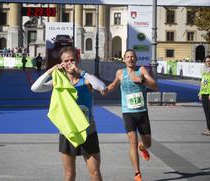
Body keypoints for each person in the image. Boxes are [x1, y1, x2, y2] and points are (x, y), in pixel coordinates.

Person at [31, 47, 105, 181]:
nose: (70, 63)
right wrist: (50, 71)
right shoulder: (58, 82)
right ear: (61, 63)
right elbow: (35, 88)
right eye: (66, 60)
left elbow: (101, 87)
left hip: (88, 131)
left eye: (73, 60)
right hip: (67, 132)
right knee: (69, 174)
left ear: (78, 61)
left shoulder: (86, 80)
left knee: (95, 173)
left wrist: (81, 72)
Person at [101, 49, 158, 181]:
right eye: (127, 57)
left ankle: (142, 147)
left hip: (142, 111)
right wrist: (106, 90)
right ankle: (137, 173)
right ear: (124, 59)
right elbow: (114, 84)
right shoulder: (120, 73)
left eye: (132, 57)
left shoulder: (142, 70)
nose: (130, 59)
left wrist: (142, 81)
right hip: (128, 112)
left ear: (136, 59)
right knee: (132, 141)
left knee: (148, 143)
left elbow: (155, 86)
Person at [198, 55, 210, 136]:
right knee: (206, 112)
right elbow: (202, 83)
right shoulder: (204, 71)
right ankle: (208, 128)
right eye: (206, 61)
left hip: (209, 94)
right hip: (204, 93)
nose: (208, 62)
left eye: (209, 61)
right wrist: (200, 93)